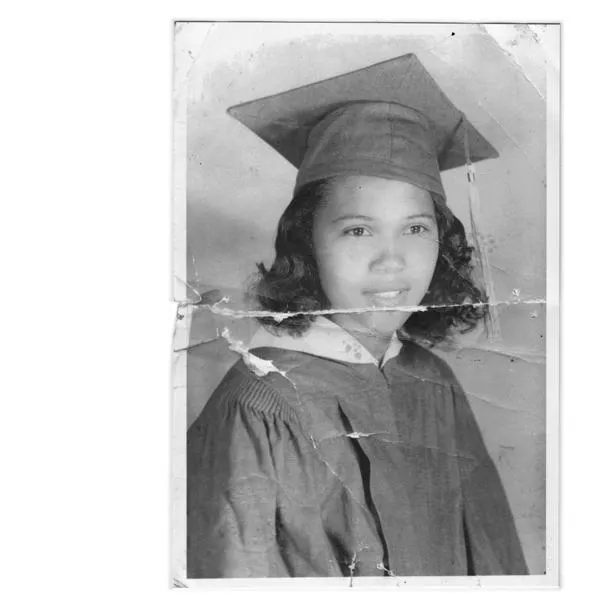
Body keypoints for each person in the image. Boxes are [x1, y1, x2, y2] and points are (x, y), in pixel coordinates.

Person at [186, 53, 529, 578]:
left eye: (415, 228)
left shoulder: (433, 380)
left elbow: (495, 557)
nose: (392, 261)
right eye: (358, 230)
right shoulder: (258, 406)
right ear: (306, 243)